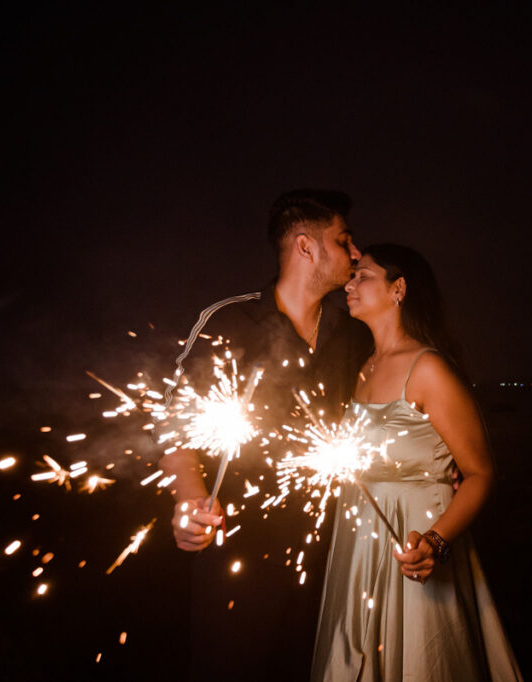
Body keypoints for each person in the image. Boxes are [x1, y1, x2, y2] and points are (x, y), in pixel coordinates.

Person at [159, 189, 371, 681]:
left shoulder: (354, 333)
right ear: (305, 247)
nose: (356, 253)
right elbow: (174, 424)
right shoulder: (230, 321)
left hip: (333, 556)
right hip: (240, 552)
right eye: (344, 240)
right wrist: (190, 500)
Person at [311, 244, 523, 681]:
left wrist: (436, 542)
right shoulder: (364, 369)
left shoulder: (427, 369)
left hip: (418, 541)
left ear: (398, 288)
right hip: (360, 544)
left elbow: (482, 473)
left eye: (363, 275)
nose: (348, 284)